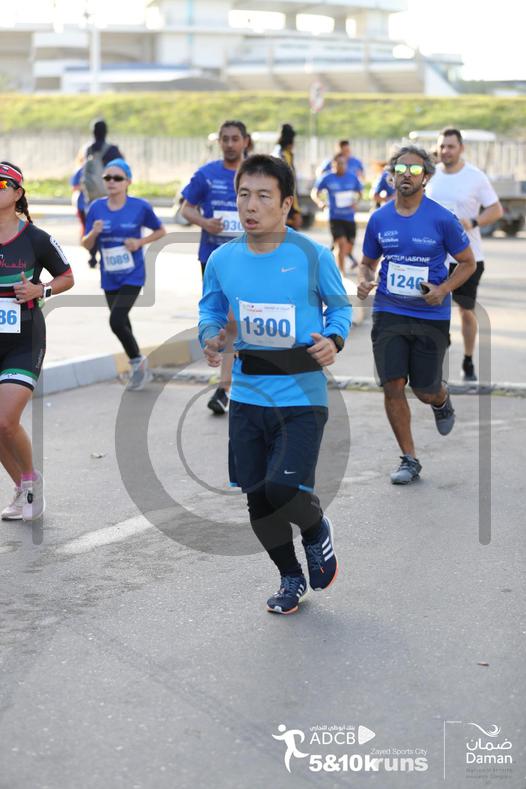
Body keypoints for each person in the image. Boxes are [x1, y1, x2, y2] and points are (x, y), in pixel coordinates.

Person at [198, 154, 352, 614]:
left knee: (283, 490)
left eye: (264, 196)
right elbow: (210, 309)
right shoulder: (222, 259)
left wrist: (334, 339)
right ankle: (290, 577)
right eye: (244, 194)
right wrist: (210, 335)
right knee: (258, 500)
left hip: (302, 395)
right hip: (248, 395)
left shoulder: (312, 255)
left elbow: (339, 308)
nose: (251, 205)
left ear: (286, 204)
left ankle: (315, 528)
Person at [357, 145, 476, 485]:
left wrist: (443, 289)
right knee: (392, 385)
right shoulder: (379, 219)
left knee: (424, 390)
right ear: (391, 176)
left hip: (430, 316)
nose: (405, 175)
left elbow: (467, 263)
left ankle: (440, 399)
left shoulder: (441, 219)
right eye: (400, 169)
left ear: (426, 177)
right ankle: (409, 458)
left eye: (413, 170)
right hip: (389, 311)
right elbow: (367, 263)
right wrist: (364, 280)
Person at [0, 162, 74, 521]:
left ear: (18, 193)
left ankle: (31, 480)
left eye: (2, 184)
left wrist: (39, 289)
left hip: (23, 340)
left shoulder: (37, 238)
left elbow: (67, 276)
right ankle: (23, 489)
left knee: (4, 421)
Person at [181, 119, 250, 415]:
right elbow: (185, 208)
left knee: (237, 322)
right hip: (213, 259)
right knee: (223, 322)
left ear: (245, 141)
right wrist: (205, 222)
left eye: (235, 138)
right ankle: (227, 384)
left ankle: (228, 386)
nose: (230, 144)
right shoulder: (206, 174)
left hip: (250, 260)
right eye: (225, 139)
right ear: (219, 142)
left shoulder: (255, 173)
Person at [426, 128, 503, 381]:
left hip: (468, 258)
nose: (445, 151)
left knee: (465, 311)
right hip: (435, 258)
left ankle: (468, 360)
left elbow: (496, 209)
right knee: (434, 308)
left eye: (451, 146)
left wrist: (473, 221)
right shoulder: (430, 174)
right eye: (442, 146)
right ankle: (439, 353)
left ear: (461, 148)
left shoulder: (475, 177)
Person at [82, 158, 166, 390]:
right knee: (123, 322)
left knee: (116, 320)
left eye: (117, 178)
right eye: (107, 177)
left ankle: (137, 362)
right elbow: (86, 243)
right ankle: (140, 368)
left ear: (128, 181)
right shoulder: (96, 207)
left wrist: (139, 242)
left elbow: (160, 230)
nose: (111, 182)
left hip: (133, 275)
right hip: (109, 275)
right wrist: (94, 233)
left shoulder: (140, 207)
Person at [312, 152, 362, 275]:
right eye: (338, 163)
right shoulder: (327, 177)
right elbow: (315, 192)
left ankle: (331, 258)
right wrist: (320, 202)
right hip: (335, 217)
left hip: (349, 217)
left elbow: (360, 193)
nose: (341, 166)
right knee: (342, 244)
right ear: (333, 164)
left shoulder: (352, 177)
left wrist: (356, 202)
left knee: (348, 247)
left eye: (343, 163)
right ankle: (342, 273)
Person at [81, 118, 124, 206]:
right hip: (110, 196)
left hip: (91, 195)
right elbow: (122, 172)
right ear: (106, 132)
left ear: (93, 132)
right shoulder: (112, 150)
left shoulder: (88, 150)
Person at [273, 123, 302, 230]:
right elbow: (290, 184)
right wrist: (296, 211)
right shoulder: (284, 156)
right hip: (286, 206)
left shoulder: (274, 153)